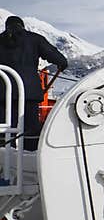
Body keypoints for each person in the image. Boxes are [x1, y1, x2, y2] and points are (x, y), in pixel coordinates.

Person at [0, 16, 68, 151]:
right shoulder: (34, 39)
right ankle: (29, 158)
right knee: (30, 130)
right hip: (29, 93)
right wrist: (62, 64)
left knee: (6, 129)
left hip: (3, 93)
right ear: (22, 25)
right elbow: (60, 60)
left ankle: (4, 160)